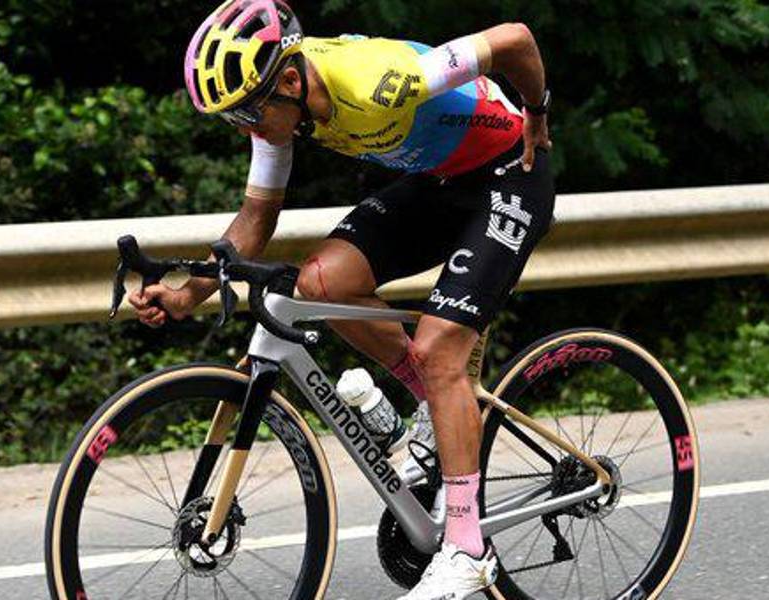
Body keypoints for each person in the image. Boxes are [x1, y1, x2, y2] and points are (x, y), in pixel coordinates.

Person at [129, 1, 554, 597]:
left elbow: (515, 38)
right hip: (440, 181)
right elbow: (257, 216)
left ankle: (467, 548)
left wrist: (536, 112)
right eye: (232, 118)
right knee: (321, 283)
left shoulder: (381, 81)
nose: (245, 129)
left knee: (440, 351)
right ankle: (433, 406)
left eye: (248, 112)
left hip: (512, 172)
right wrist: (188, 292)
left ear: (290, 81)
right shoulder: (282, 103)